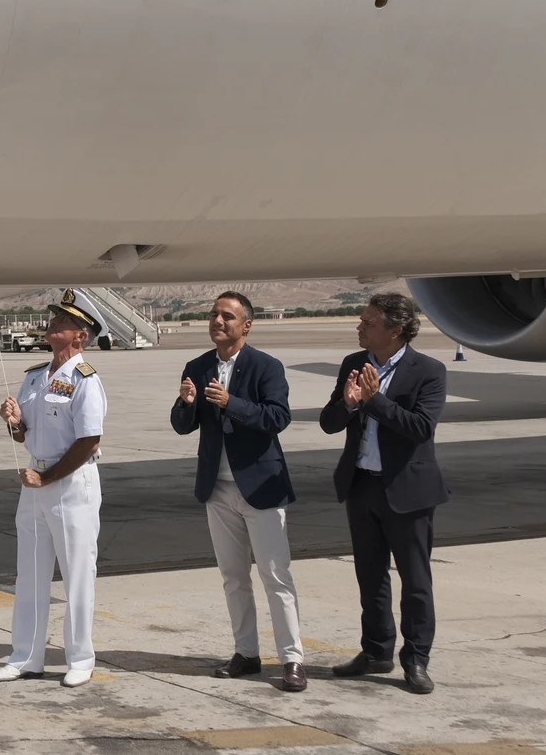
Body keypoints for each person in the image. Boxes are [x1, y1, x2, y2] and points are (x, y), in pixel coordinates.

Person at [171, 292, 305, 692]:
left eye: (227, 316)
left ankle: (293, 659)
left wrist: (233, 403)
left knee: (275, 575)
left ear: (246, 325)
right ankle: (246, 653)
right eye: (213, 314)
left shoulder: (266, 366)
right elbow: (182, 425)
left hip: (260, 487)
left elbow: (278, 417)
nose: (218, 321)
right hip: (218, 488)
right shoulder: (197, 366)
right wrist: (186, 403)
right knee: (233, 577)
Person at [319, 292, 449, 695]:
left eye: (368, 322)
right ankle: (376, 651)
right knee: (370, 577)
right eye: (360, 320)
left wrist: (375, 402)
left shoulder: (428, 370)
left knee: (415, 582)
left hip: (407, 491)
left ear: (395, 330)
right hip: (362, 485)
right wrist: (349, 401)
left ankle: (416, 660)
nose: (359, 327)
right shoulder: (352, 365)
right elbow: (328, 423)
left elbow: (421, 428)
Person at [0, 288, 108, 689]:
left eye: (64, 319)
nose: (53, 321)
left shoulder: (85, 380)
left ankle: (80, 659)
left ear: (81, 336)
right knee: (31, 574)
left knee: (77, 573)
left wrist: (48, 478)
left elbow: (88, 441)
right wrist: (14, 421)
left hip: (71, 483)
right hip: (35, 482)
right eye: (55, 316)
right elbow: (24, 435)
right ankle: (25, 657)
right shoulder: (36, 376)